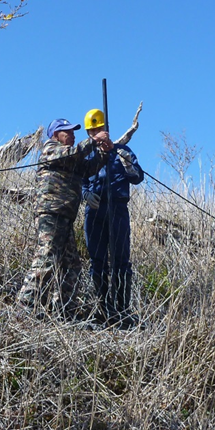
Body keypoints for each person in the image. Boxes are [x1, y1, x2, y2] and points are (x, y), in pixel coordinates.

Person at [17, 117, 113, 320]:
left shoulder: (71, 158)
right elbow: (74, 152)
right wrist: (94, 140)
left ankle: (63, 311)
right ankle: (25, 307)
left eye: (73, 132)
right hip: (51, 212)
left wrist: (104, 151)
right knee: (46, 258)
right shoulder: (51, 149)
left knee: (71, 266)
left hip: (65, 216)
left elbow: (89, 168)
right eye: (67, 131)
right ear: (55, 134)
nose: (72, 135)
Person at [81, 109, 144, 329]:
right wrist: (85, 194)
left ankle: (122, 310)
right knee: (97, 261)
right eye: (92, 131)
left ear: (106, 129)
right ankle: (101, 310)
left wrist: (128, 165)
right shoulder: (87, 155)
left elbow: (137, 178)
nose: (95, 134)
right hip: (95, 210)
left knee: (121, 261)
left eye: (98, 129)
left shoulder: (122, 151)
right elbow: (79, 179)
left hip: (118, 209)